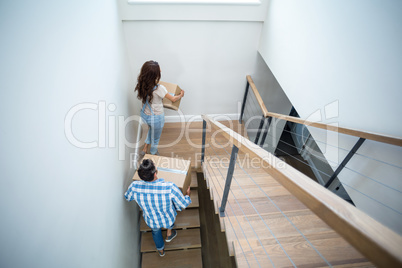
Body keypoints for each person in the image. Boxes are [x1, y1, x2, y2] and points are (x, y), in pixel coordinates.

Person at [124, 159, 191, 257]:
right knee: (170, 219)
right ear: (155, 173)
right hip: (168, 218)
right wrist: (187, 195)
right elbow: (183, 204)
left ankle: (161, 250)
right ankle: (169, 234)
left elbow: (127, 197)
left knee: (155, 233)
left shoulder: (134, 186)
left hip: (152, 220)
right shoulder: (169, 187)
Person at [135, 60, 184, 156]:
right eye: (159, 70)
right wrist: (181, 95)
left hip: (144, 115)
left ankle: (145, 148)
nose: (160, 70)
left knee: (151, 129)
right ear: (154, 74)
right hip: (156, 118)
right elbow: (173, 99)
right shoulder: (160, 88)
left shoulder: (141, 83)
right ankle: (153, 152)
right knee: (156, 137)